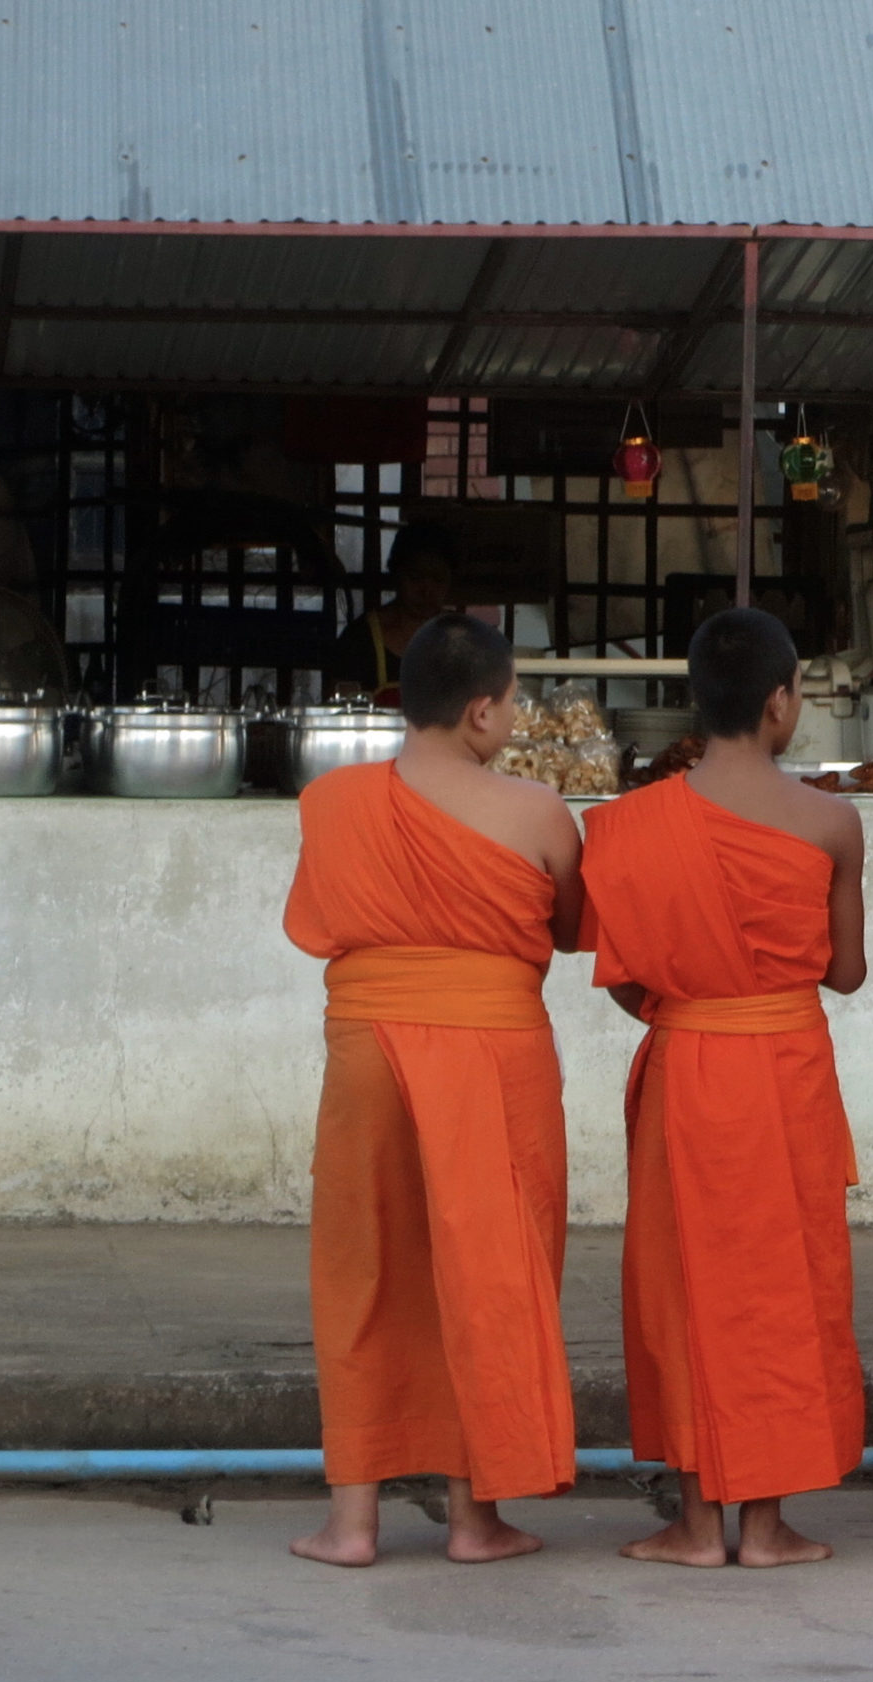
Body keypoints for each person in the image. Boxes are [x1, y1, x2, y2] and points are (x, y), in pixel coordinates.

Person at [281, 613, 584, 1566]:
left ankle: (352, 1521)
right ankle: (474, 1517)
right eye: (515, 702)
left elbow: (325, 919)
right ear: (485, 711)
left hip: (368, 1047)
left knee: (362, 1265)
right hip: (496, 1051)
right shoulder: (537, 813)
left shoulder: (330, 801)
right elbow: (571, 929)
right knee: (491, 1268)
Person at [581, 607, 868, 1570]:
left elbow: (624, 974)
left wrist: (696, 1006)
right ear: (784, 703)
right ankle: (769, 1525)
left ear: (693, 705)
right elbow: (847, 972)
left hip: (686, 1067)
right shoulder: (831, 822)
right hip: (785, 1065)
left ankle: (697, 1524)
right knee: (783, 1287)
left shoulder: (623, 825)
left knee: (685, 1284)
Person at [328, 523, 458, 705]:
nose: (426, 591)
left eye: (438, 580)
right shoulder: (359, 640)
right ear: (396, 574)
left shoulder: (466, 641)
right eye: (415, 577)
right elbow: (342, 711)